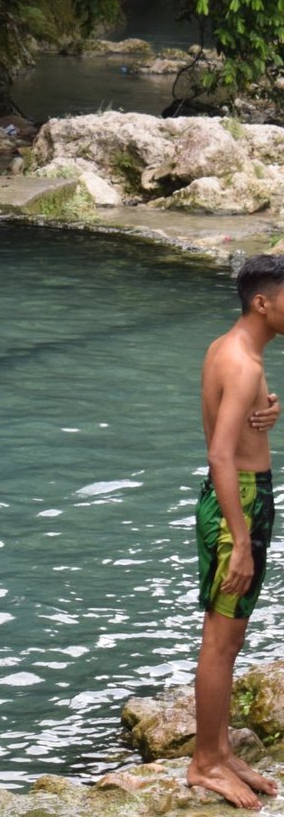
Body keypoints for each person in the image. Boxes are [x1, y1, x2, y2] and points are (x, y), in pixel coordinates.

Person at [188, 254, 284, 809]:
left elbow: (234, 415)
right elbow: (221, 454)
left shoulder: (231, 349)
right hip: (240, 503)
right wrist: (241, 539)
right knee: (221, 641)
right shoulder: (243, 363)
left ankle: (220, 750)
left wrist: (267, 412)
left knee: (230, 636)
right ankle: (205, 764)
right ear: (262, 303)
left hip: (243, 499)